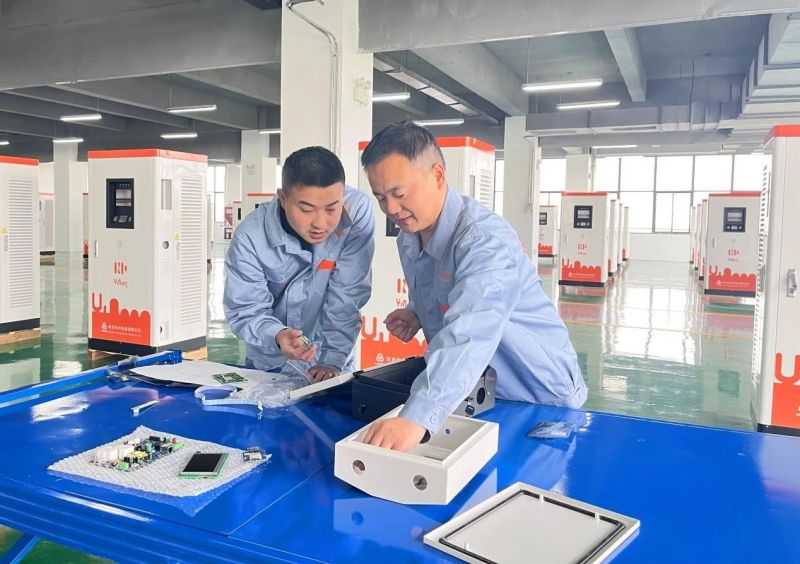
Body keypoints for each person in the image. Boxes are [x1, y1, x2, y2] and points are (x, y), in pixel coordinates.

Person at [360, 121, 587, 451]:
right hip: (475, 393)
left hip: (536, 396)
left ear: (438, 175)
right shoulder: (410, 237)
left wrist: (417, 417)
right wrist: (417, 313)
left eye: (400, 194)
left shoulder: (485, 242)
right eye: (381, 197)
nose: (391, 209)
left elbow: (470, 332)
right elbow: (443, 290)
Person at [224, 146, 374, 381]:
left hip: (331, 357)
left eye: (331, 209)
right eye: (306, 210)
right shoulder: (250, 237)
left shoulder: (356, 213)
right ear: (283, 198)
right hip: (271, 360)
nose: (320, 223)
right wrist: (277, 334)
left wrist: (332, 359)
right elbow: (246, 310)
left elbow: (347, 294)